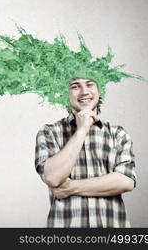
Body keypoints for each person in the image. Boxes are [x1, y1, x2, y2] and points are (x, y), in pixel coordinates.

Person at [35, 78, 137, 227]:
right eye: (75, 86)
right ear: (66, 93)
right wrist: (81, 130)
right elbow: (52, 177)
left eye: (90, 84)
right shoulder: (49, 132)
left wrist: (70, 187)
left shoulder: (118, 134)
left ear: (99, 90)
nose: (84, 92)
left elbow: (125, 181)